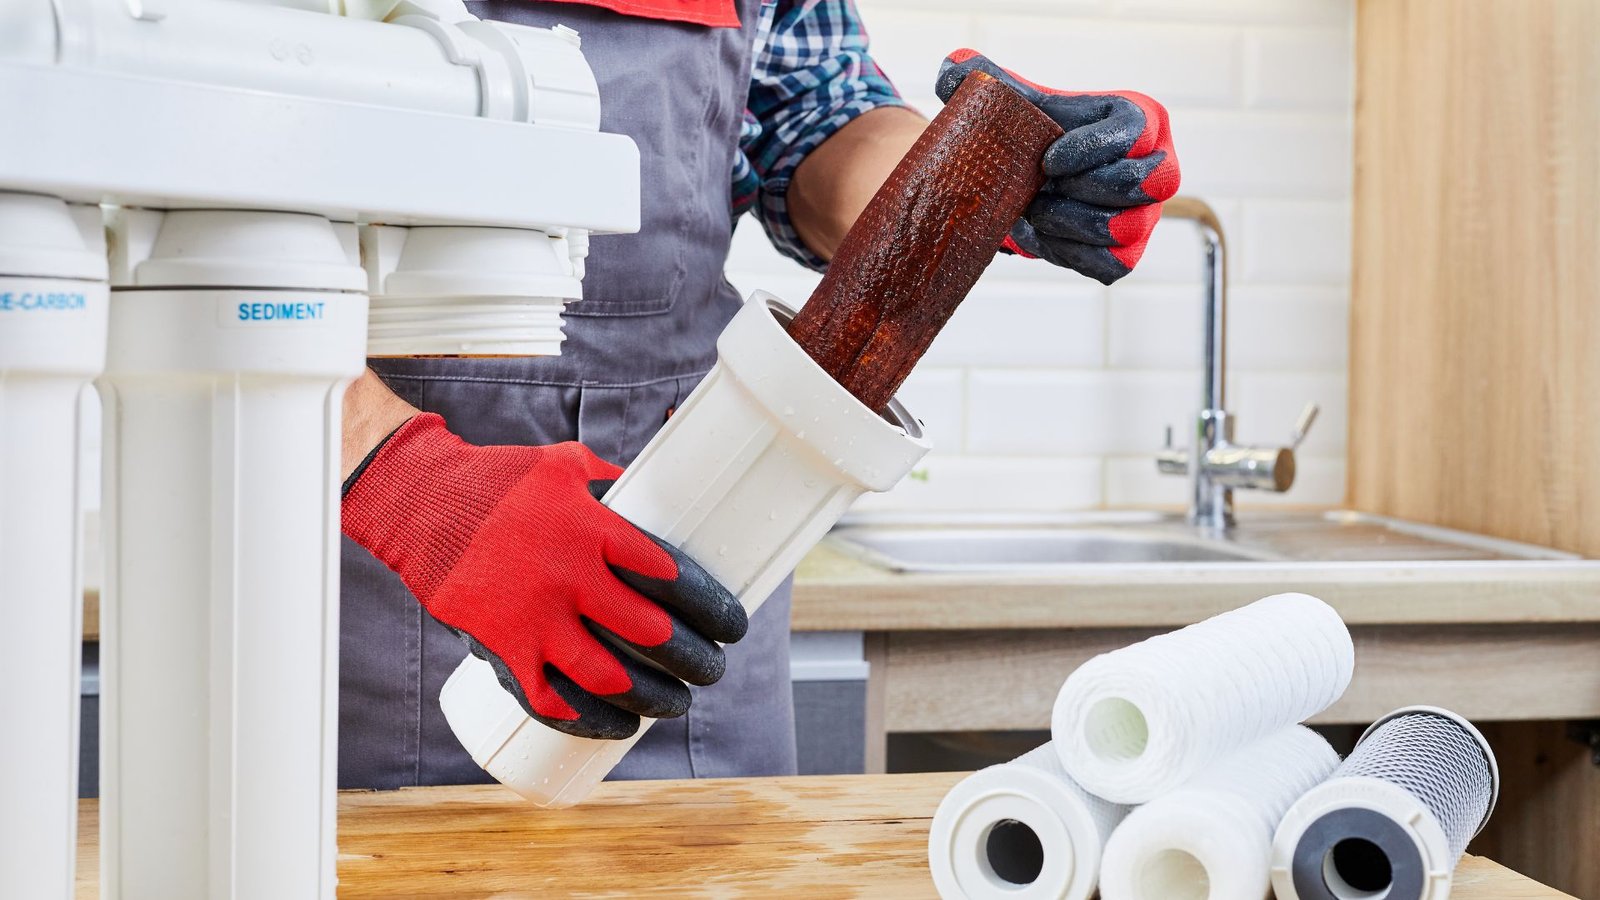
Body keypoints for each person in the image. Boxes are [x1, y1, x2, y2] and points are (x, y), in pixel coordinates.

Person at [336, 0, 1179, 789]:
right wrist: (409, 489)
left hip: (697, 577)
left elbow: (812, 121)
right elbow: (211, 225)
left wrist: (981, 178)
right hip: (381, 579)